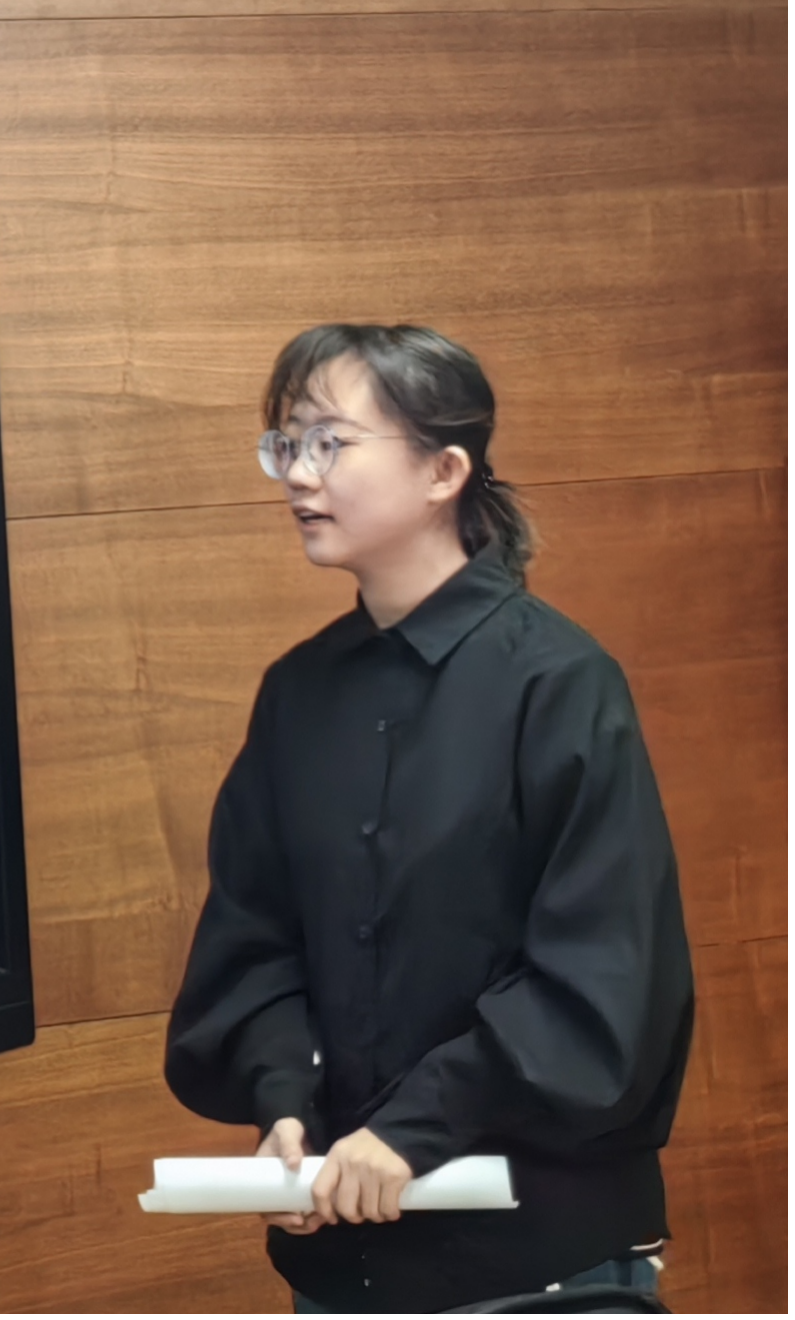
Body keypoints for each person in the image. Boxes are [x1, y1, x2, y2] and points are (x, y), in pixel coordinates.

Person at [164, 325, 693, 1313]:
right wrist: (283, 1104)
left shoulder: (559, 681)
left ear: (442, 471)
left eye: (328, 441)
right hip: (343, 1265)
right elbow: (254, 937)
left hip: (535, 1260)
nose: (296, 473)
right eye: (284, 444)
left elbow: (602, 974)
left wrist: (412, 1126)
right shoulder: (297, 692)